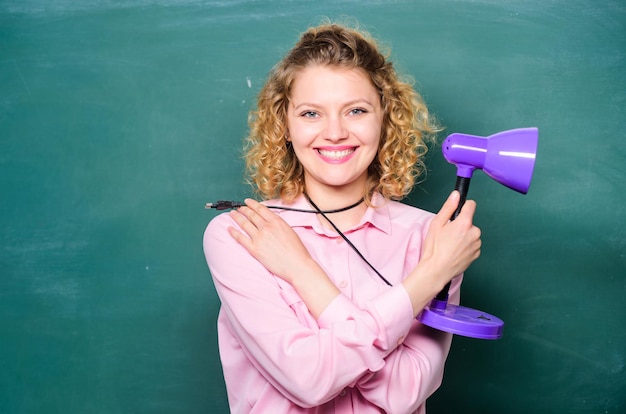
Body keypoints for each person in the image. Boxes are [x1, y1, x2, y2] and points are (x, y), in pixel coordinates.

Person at [203, 21, 481, 414]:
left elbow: (405, 392)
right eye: (311, 113)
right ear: (284, 123)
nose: (334, 132)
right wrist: (426, 280)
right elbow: (308, 381)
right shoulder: (240, 235)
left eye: (355, 110)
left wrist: (303, 274)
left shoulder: (434, 241)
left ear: (385, 118)